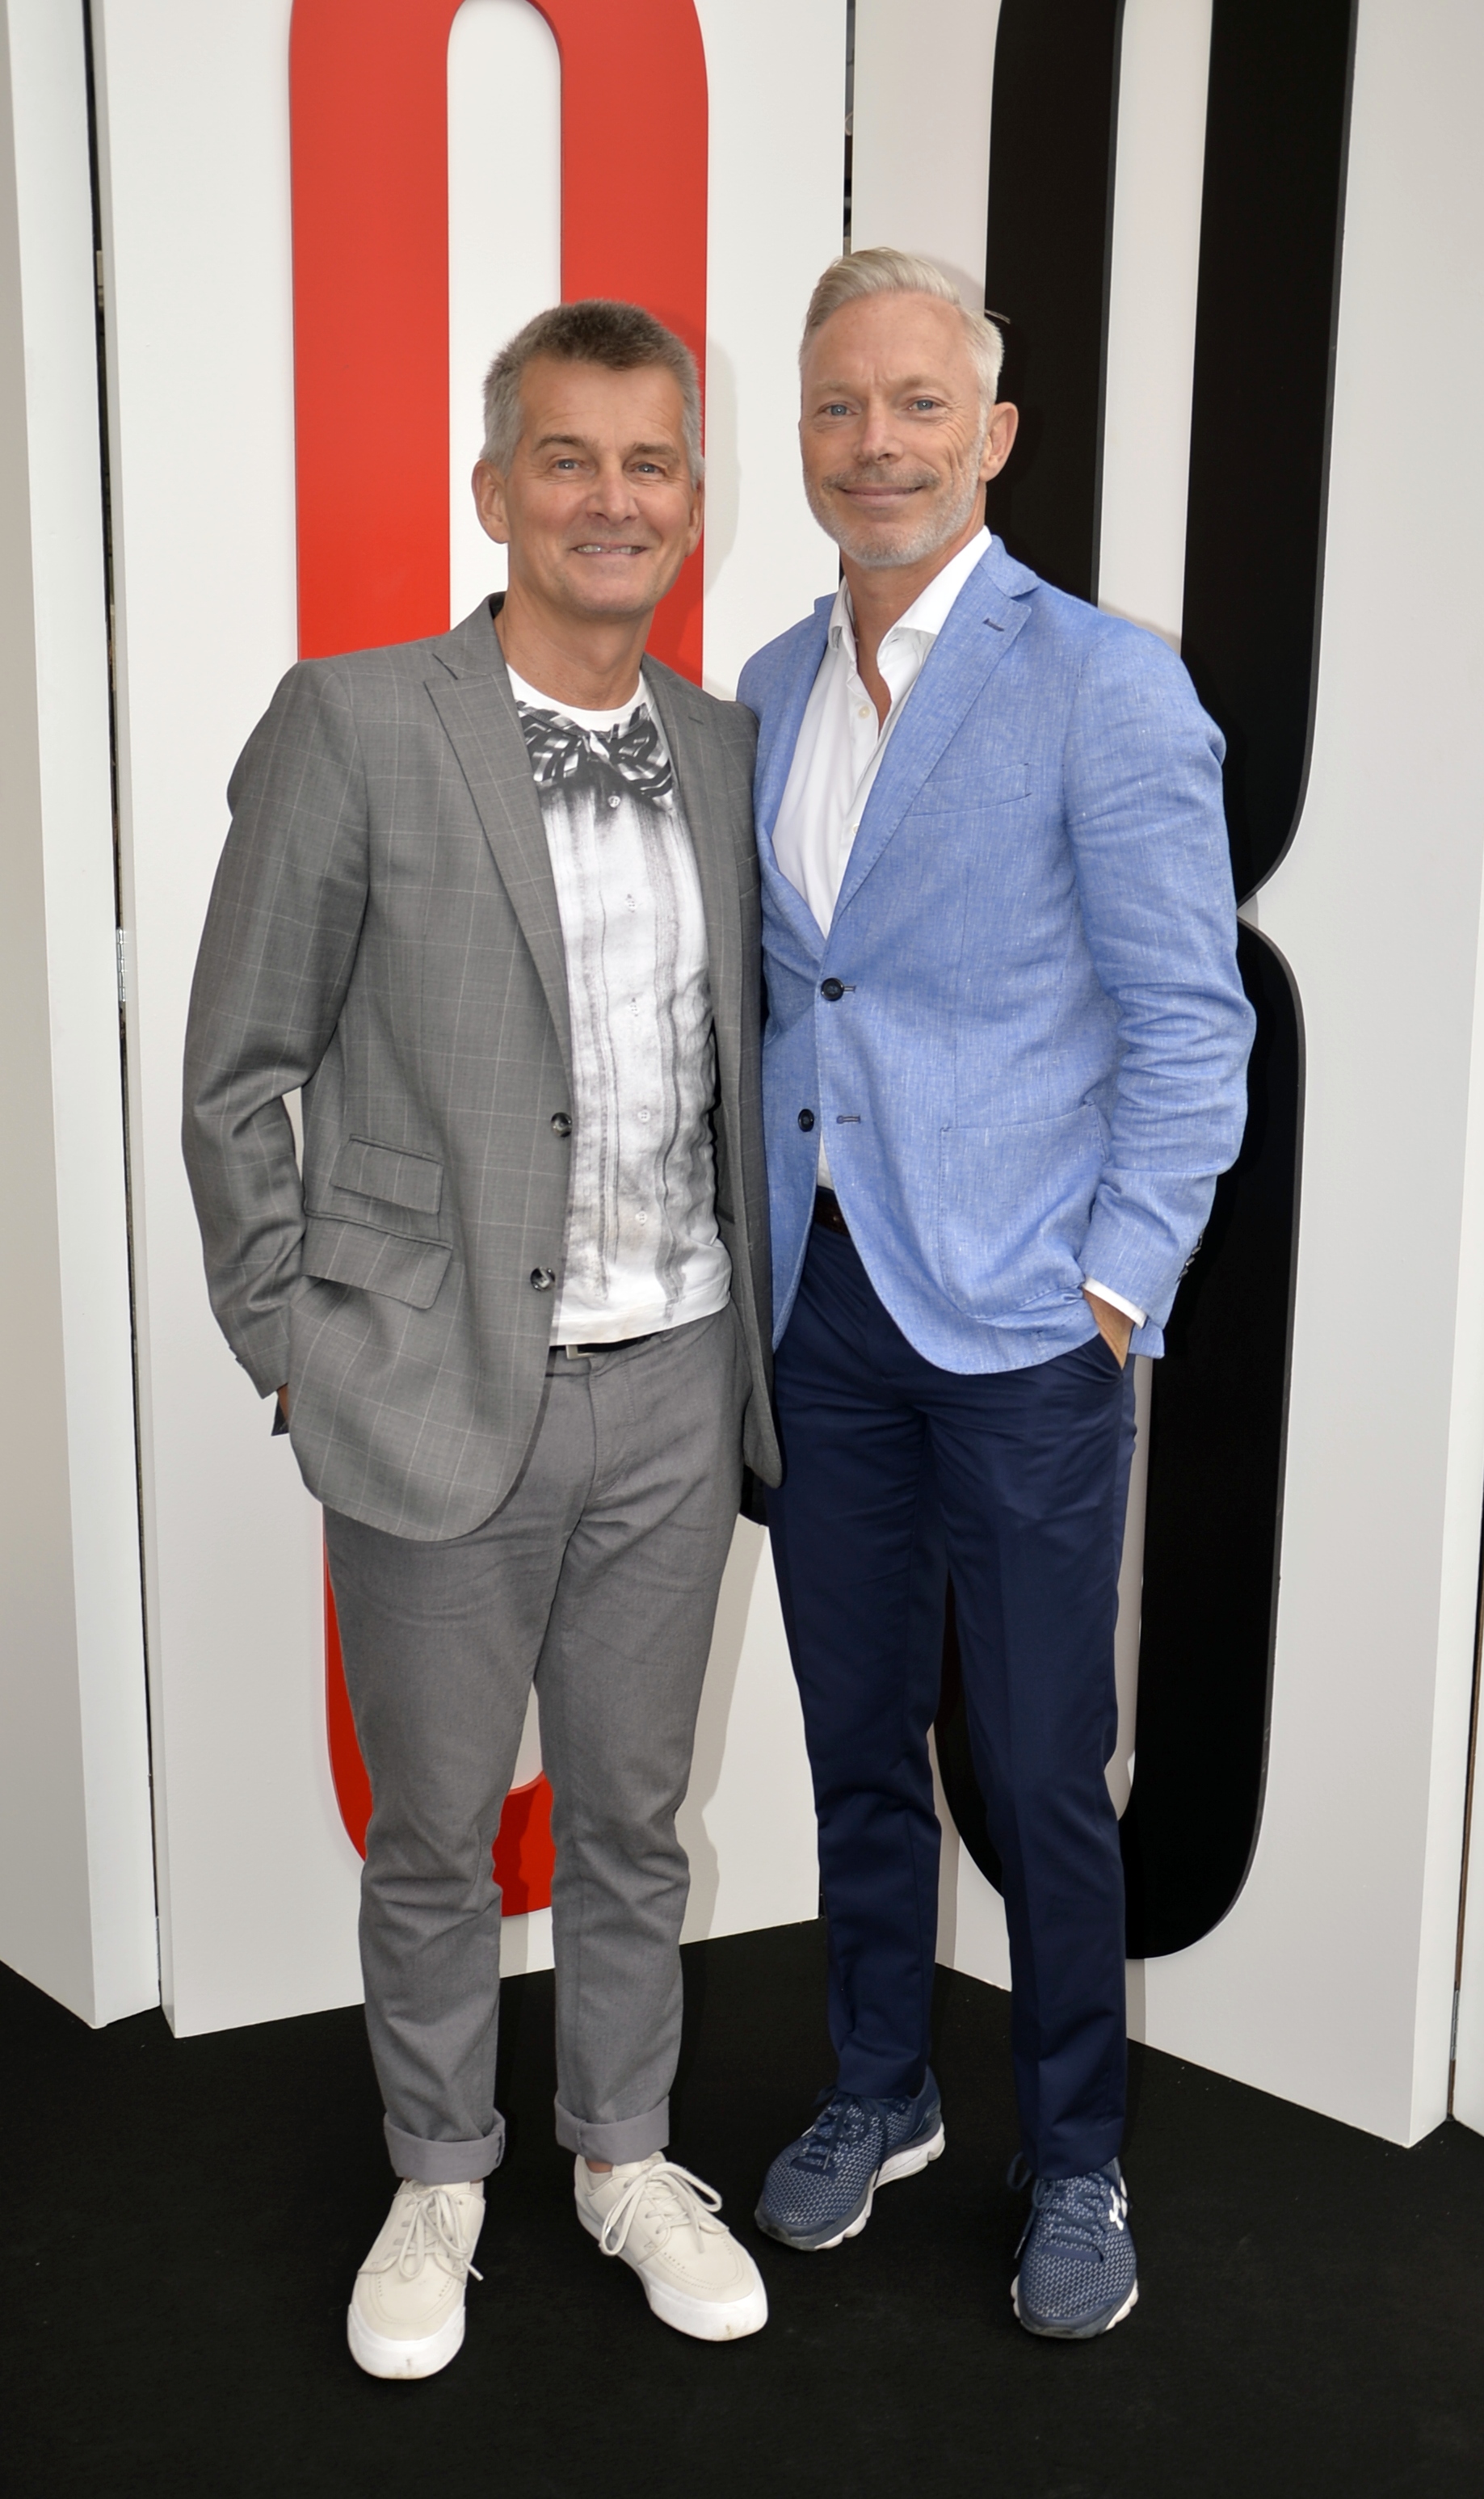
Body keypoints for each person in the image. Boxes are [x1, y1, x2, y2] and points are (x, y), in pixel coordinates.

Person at [183, 300, 778, 2377]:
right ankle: (438, 2171)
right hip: (430, 1386)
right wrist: (291, 1341)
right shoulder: (353, 723)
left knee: (630, 1818)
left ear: (691, 501)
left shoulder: (724, 747)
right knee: (436, 1830)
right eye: (568, 457)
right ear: (494, 488)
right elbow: (235, 1069)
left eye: (648, 462)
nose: (612, 498)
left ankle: (620, 2149)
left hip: (678, 1373)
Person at [739, 250, 1255, 2338]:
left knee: (1039, 1769)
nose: (875, 443)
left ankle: (1077, 2147)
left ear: (993, 434)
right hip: (819, 1313)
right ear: (800, 433)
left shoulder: (1103, 683)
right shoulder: (764, 683)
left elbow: (1188, 1023)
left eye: (917, 404)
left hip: (1029, 1326)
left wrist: (1113, 1288)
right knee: (854, 1734)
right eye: (838, 405)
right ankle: (881, 2081)